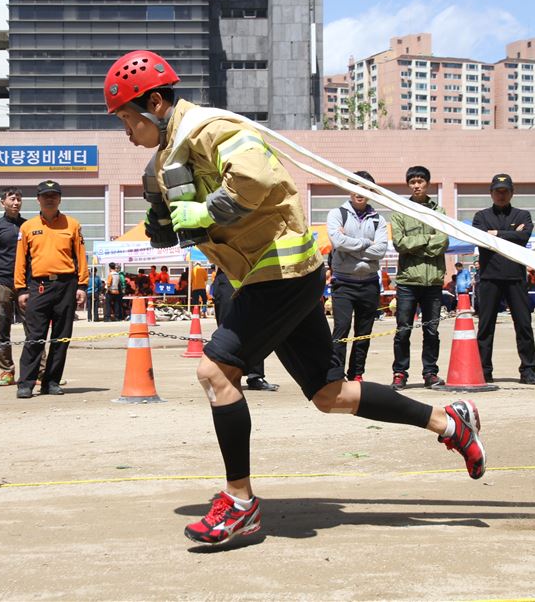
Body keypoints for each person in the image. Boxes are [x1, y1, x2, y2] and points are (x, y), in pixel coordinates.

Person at [105, 49, 485, 546]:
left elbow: (256, 179)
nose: (126, 132)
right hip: (270, 275)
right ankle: (449, 421)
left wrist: (206, 211)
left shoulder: (209, 130)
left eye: (127, 119)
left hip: (279, 268)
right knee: (330, 395)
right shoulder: (167, 158)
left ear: (154, 102)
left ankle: (239, 503)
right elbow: (168, 234)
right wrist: (162, 214)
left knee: (215, 372)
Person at [13, 180, 88, 398]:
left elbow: (81, 256)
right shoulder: (27, 227)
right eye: (45, 195)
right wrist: (21, 289)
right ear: (38, 199)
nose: (50, 199)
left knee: (61, 337)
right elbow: (21, 260)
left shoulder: (72, 225)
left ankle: (51, 381)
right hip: (39, 286)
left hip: (67, 285)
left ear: (60, 198)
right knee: (35, 336)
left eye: (54, 195)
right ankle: (25, 383)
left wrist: (82, 285)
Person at [472, 173, 535, 385]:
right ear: (491, 193)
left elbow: (524, 237)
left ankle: (528, 371)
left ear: (512, 193)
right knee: (485, 326)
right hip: (490, 277)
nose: (501, 195)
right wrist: (508, 233)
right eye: (497, 191)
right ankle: (484, 370)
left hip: (516, 278)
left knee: (524, 325)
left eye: (505, 191)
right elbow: (480, 238)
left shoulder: (523, 215)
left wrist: (496, 234)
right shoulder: (480, 216)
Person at [390, 165, 448, 390]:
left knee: (431, 330)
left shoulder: (439, 212)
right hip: (407, 282)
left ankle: (430, 372)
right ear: (408, 185)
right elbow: (400, 244)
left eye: (420, 181)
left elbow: (442, 242)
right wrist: (428, 239)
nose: (416, 186)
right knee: (403, 330)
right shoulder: (399, 211)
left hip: (432, 282)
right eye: (412, 182)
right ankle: (400, 372)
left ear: (428, 183)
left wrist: (418, 244)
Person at [327, 170, 388, 383]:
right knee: (341, 330)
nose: (359, 193)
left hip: (369, 283)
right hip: (343, 283)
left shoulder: (378, 219)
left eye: (364, 188)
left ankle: (357, 373)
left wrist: (350, 244)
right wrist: (365, 244)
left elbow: (381, 249)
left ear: (371, 191)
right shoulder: (337, 214)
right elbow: (337, 242)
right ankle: (335, 375)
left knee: (364, 333)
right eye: (355, 187)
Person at [0, 187, 27, 386]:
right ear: (3, 203)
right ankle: (7, 371)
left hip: (25, 284)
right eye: (12, 199)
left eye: (18, 199)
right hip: (2, 282)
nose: (16, 202)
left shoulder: (28, 226)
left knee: (34, 328)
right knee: (3, 328)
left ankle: (38, 371)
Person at [209, 267, 278, 391]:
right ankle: (226, 375)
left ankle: (255, 376)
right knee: (226, 327)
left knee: (256, 326)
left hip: (251, 274)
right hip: (227, 275)